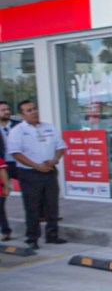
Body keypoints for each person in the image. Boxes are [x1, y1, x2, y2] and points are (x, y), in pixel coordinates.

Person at [7, 100, 67, 247]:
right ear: (22, 115)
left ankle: (52, 235)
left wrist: (55, 160)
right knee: (32, 207)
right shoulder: (17, 131)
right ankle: (32, 238)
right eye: (29, 110)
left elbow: (60, 147)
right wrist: (36, 166)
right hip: (29, 174)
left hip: (49, 171)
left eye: (34, 109)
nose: (34, 112)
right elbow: (16, 153)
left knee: (52, 205)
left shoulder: (49, 127)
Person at [0, 101, 19, 242]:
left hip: (20, 163)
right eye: (2, 109)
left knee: (33, 190)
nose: (6, 111)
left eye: (7, 109)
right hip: (2, 165)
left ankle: (41, 215)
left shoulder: (18, 125)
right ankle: (5, 231)